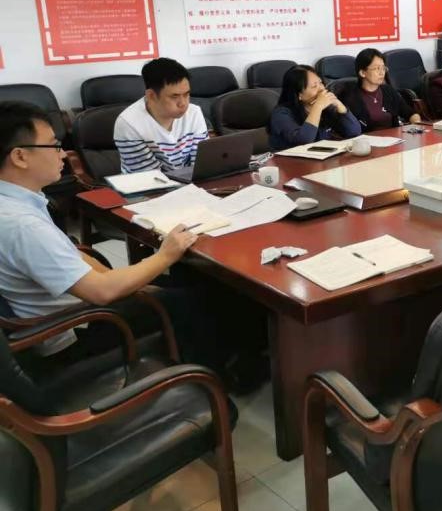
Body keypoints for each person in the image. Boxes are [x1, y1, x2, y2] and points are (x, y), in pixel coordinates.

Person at [1, 100, 266, 391]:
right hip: (79, 329)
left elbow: (73, 255)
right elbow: (102, 292)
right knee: (207, 296)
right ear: (20, 157)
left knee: (189, 279)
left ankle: (225, 355)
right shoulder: (22, 224)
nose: (63, 153)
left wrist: (131, 283)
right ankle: (223, 377)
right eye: (53, 146)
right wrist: (165, 255)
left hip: (80, 305)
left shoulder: (16, 202)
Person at [114, 57, 209, 173]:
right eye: (174, 96)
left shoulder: (194, 112)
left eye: (186, 94)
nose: (183, 103)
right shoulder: (128, 123)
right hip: (146, 182)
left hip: (187, 180)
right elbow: (149, 176)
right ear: (151, 95)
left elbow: (202, 163)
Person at [267, 64, 361, 150]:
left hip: (323, 158)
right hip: (291, 161)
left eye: (320, 83)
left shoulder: (326, 108)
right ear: (299, 94)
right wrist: (318, 107)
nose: (322, 89)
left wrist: (339, 105)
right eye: (314, 86)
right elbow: (303, 141)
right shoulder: (281, 114)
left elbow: (354, 132)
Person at [338, 48, 422, 131]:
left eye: (383, 68)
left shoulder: (388, 90)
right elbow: (349, 128)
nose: (382, 73)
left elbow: (410, 113)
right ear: (362, 73)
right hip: (366, 138)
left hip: (393, 137)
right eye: (377, 68)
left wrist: (416, 123)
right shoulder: (350, 96)